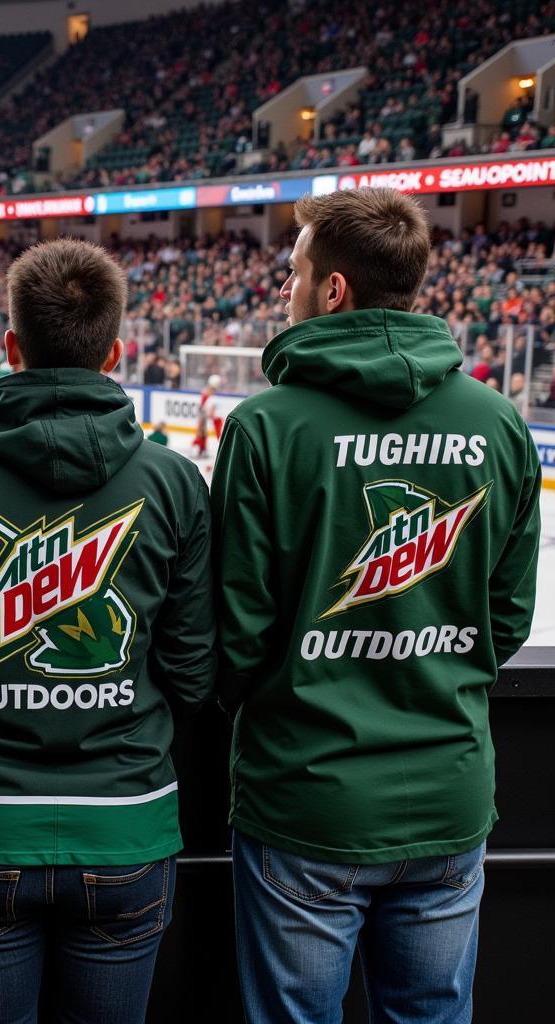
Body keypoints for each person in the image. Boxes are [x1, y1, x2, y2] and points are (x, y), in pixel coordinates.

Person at [210, 187, 540, 1024]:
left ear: (332, 292)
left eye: (293, 272)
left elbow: (238, 638)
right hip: (448, 794)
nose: (284, 288)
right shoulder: (499, 424)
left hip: (305, 798)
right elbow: (505, 622)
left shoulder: (266, 427)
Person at [0, 238, 216, 1024]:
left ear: (10, 347)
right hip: (128, 824)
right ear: (117, 351)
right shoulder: (173, 483)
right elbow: (196, 671)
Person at [191, 373, 221, 457]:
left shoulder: (209, 392)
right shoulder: (207, 393)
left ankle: (202, 449)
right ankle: (197, 449)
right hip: (203, 415)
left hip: (204, 415)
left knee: (203, 433)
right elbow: (203, 407)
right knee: (201, 433)